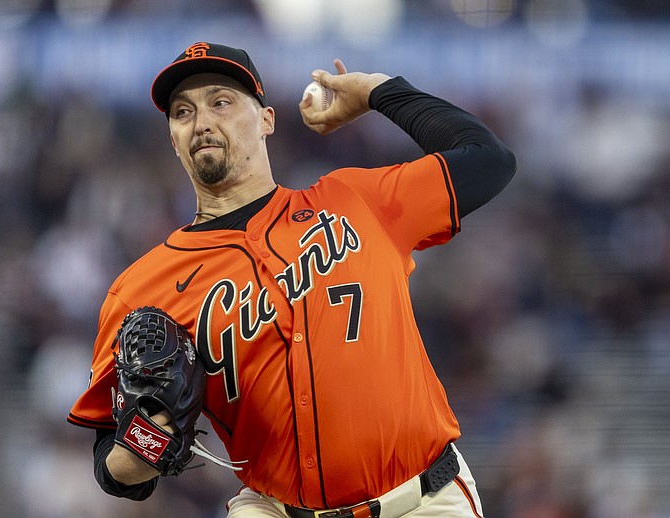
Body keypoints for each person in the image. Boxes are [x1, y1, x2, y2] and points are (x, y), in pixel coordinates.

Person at [68, 41, 516, 517]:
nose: (202, 122)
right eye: (183, 112)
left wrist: (377, 91)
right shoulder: (140, 290)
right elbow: (111, 467)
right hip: (273, 508)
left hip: (423, 500)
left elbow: (490, 160)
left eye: (221, 102)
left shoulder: (355, 201)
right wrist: (148, 441)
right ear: (173, 138)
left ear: (266, 120)